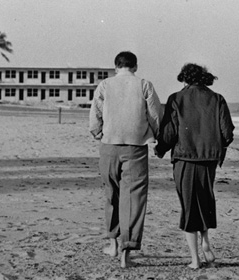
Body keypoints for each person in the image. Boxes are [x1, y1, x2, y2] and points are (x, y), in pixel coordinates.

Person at [155, 63, 234, 269]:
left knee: (189, 205)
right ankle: (206, 241)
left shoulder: (176, 98)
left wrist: (160, 149)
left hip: (185, 158)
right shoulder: (217, 99)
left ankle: (195, 259)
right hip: (209, 159)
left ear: (184, 79)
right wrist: (216, 148)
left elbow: (169, 133)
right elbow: (227, 133)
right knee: (204, 200)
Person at [89, 51, 162, 268]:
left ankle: (112, 244)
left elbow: (95, 115)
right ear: (135, 66)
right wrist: (155, 135)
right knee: (133, 198)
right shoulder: (144, 84)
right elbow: (155, 115)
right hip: (136, 147)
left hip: (109, 145)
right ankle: (126, 253)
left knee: (111, 194)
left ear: (116, 66)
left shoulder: (104, 85)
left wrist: (98, 133)